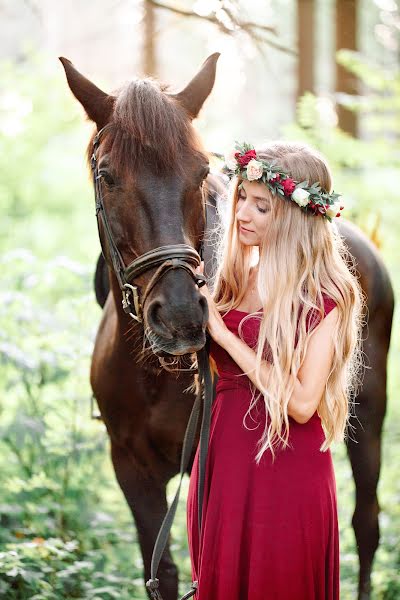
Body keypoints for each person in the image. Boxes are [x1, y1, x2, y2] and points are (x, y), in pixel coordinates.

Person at [186, 141, 364, 600]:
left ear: (294, 215)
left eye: (260, 206)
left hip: (285, 471)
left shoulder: (328, 294)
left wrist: (224, 336)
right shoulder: (231, 278)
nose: (241, 212)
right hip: (223, 464)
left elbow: (304, 404)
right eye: (241, 196)